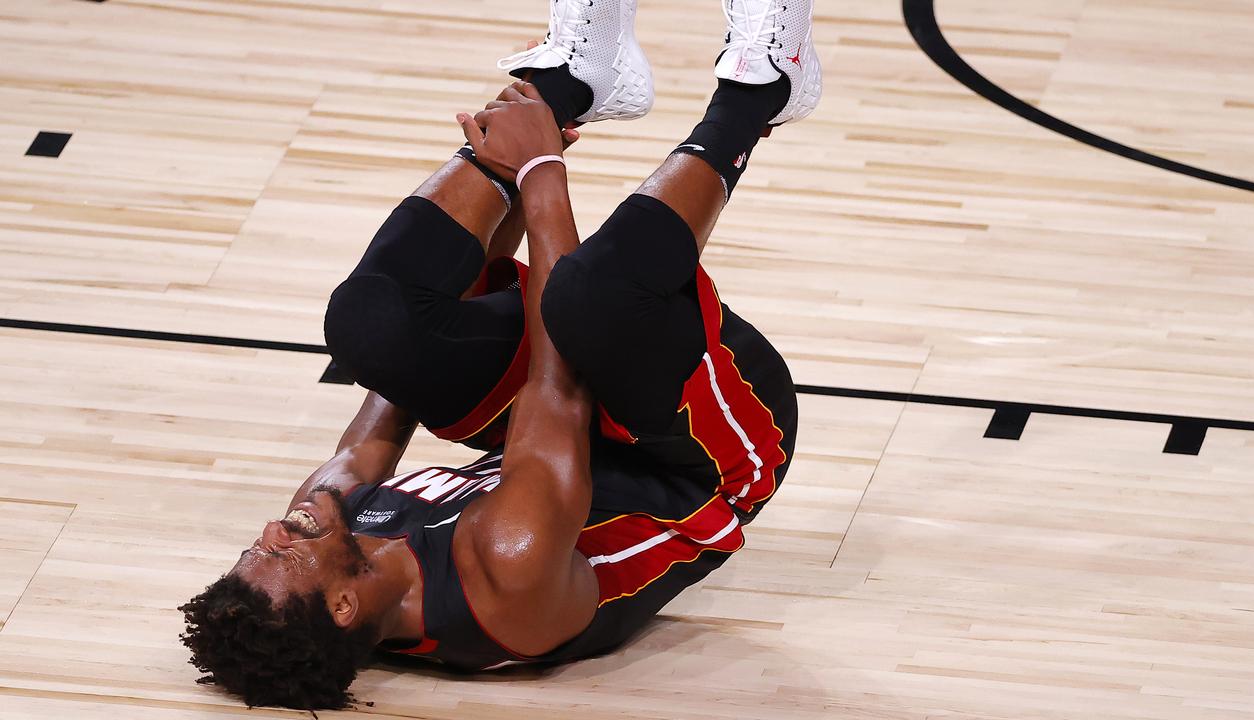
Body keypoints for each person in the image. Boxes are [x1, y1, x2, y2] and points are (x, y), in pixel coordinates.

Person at [178, 0, 821, 710]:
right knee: (587, 300)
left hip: (579, 409)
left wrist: (500, 161)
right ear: (341, 608)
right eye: (277, 558)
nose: (272, 531)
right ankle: (762, 90)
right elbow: (560, 384)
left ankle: (574, 78)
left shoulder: (325, 528)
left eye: (252, 548)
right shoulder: (504, 576)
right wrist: (538, 166)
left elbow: (400, 380)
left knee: (372, 331)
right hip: (707, 451)